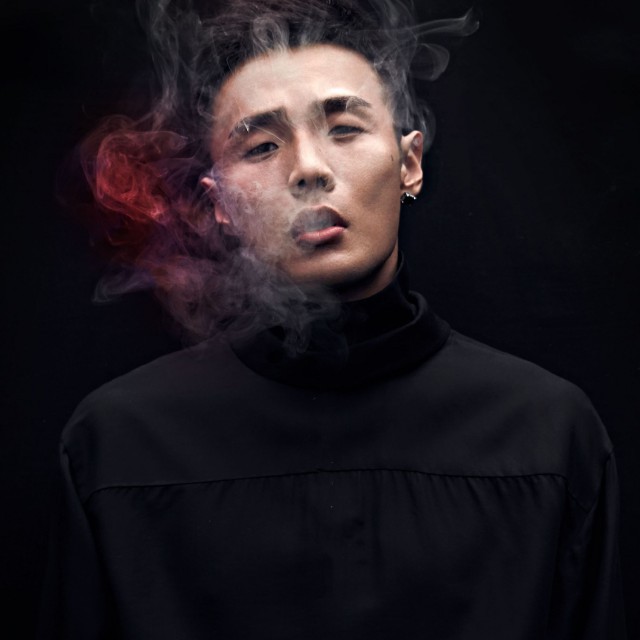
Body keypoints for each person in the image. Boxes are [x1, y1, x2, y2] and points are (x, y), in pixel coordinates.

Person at [39, 0, 626, 638]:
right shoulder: (119, 444)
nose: (309, 169)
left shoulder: (546, 433)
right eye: (262, 146)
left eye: (344, 129)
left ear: (409, 163)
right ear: (221, 204)